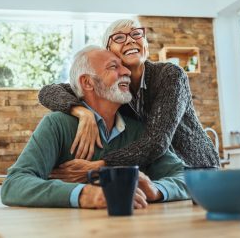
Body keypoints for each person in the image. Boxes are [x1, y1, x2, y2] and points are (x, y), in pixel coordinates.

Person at [1, 46, 189, 209]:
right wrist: (87, 194)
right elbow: (14, 184)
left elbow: (185, 177)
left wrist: (156, 190)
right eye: (114, 67)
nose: (127, 72)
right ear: (87, 82)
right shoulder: (57, 124)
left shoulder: (138, 130)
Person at [38, 19, 220, 173]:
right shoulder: (111, 88)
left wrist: (101, 165)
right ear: (108, 52)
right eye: (119, 37)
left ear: (145, 45)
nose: (130, 41)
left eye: (136, 34)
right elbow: (48, 92)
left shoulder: (170, 75)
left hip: (197, 169)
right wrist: (82, 112)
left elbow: (156, 142)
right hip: (159, 174)